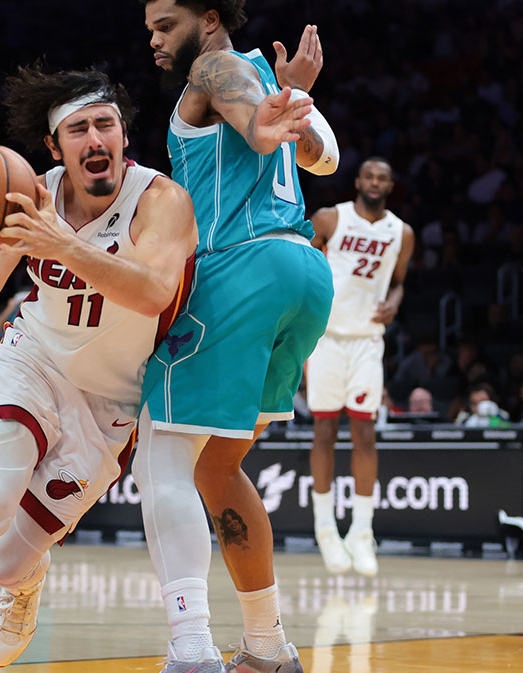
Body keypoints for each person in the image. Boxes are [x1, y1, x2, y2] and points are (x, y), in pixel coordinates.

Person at [0, 64, 199, 673]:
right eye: (80, 129)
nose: (96, 140)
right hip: (33, 363)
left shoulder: (161, 200)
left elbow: (150, 292)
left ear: (122, 134)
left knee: (10, 561)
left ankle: (22, 583)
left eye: (106, 125)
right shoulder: (27, 194)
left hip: (112, 402)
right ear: (54, 147)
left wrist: (61, 244)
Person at [139, 2, 337, 671]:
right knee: (217, 469)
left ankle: (191, 650)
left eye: (165, 24)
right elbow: (324, 158)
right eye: (150, 29)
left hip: (240, 267)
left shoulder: (215, 65)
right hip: (305, 274)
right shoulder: (265, 77)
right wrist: (294, 99)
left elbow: (257, 130)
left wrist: (266, 118)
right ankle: (266, 643)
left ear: (210, 17)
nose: (155, 39)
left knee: (161, 451)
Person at [305, 158, 415, 576]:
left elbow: (399, 279)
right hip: (327, 338)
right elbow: (301, 263)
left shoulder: (401, 233)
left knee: (365, 433)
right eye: (369, 176)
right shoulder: (331, 218)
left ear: (390, 185)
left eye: (382, 177)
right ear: (357, 182)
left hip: (368, 341)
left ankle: (362, 532)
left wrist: (396, 300)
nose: (375, 182)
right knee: (324, 430)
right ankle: (326, 530)